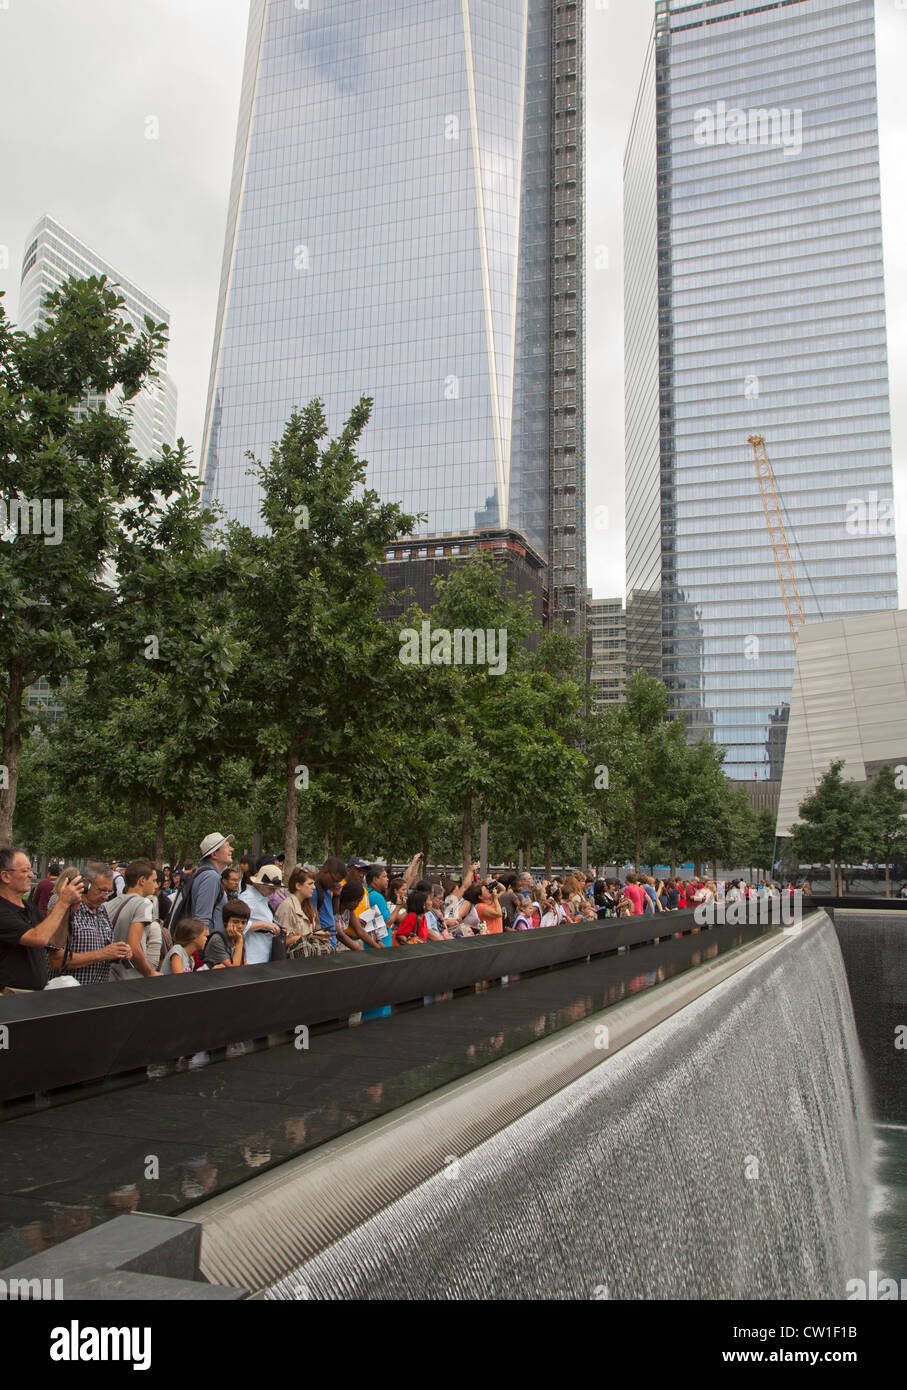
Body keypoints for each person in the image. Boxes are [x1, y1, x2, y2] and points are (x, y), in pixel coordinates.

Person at [46, 863, 134, 986]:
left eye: (109, 891)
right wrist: (102, 954)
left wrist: (118, 952)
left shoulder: (102, 911)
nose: (105, 897)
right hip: (67, 996)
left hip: (96, 995)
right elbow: (56, 960)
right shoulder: (66, 908)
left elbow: (105, 951)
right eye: (102, 890)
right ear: (86, 883)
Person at [106, 859, 163, 979]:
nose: (156, 885)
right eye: (153, 880)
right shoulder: (144, 903)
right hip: (130, 977)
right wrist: (149, 972)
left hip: (108, 975)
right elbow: (134, 946)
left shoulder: (109, 904)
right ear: (142, 880)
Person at [174, 833, 234, 937]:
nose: (231, 849)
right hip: (207, 945)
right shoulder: (211, 877)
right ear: (214, 854)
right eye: (227, 846)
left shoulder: (202, 873)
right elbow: (202, 920)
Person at [276, 867, 333, 957]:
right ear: (298, 886)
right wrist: (312, 936)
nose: (314, 887)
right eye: (310, 884)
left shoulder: (308, 905)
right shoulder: (287, 906)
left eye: (314, 883)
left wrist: (320, 935)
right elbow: (282, 941)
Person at [238, 864, 284, 963]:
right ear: (259, 884)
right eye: (270, 888)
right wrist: (265, 925)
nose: (273, 891)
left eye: (275, 888)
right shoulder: (248, 898)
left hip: (261, 955)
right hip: (251, 956)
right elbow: (237, 926)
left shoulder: (262, 899)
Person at [314, 857, 362, 952]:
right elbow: (315, 921)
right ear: (325, 871)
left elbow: (333, 913)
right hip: (322, 944)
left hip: (330, 944)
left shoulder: (327, 889)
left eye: (338, 882)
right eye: (334, 880)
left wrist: (336, 896)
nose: (335, 884)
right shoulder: (314, 890)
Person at [204, 899, 249, 969]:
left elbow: (244, 962)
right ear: (226, 922)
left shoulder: (240, 936)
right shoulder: (217, 939)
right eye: (235, 922)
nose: (240, 926)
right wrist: (239, 941)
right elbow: (233, 970)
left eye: (243, 922)